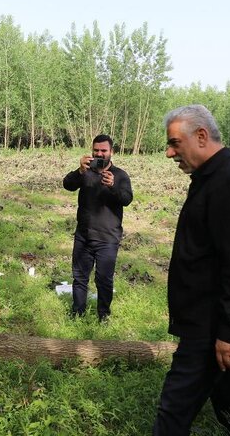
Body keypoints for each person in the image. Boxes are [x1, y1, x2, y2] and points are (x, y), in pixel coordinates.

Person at [153, 105, 230, 435]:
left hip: (210, 326)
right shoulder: (210, 178)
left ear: (201, 136)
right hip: (207, 321)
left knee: (173, 409)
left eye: (175, 143)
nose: (168, 152)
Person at [63, 134, 133, 322]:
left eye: (104, 150)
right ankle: (77, 313)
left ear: (112, 152)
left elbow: (127, 199)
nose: (100, 154)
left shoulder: (120, 175)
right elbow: (67, 184)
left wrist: (113, 186)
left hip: (108, 238)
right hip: (83, 235)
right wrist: (79, 171)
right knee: (79, 277)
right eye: (96, 150)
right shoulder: (86, 171)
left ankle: (103, 315)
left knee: (104, 280)